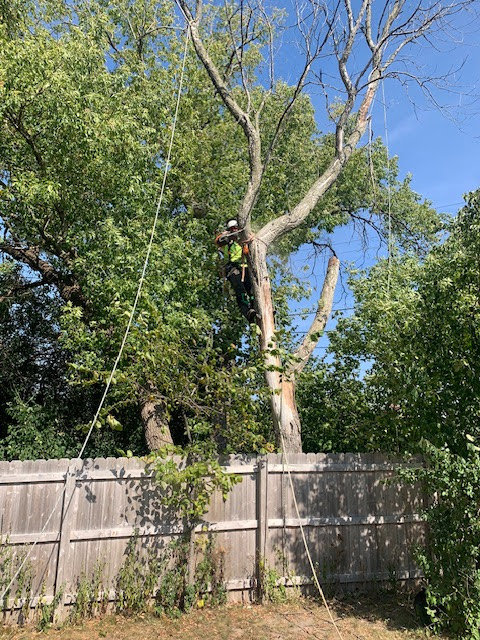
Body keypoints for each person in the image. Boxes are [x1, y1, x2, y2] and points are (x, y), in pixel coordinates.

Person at [215, 219, 256, 322]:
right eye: (232, 229)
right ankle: (247, 312)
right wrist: (228, 235)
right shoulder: (227, 241)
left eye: (235, 228)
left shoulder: (244, 239)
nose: (234, 230)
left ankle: (254, 308)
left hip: (246, 267)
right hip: (233, 268)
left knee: (252, 290)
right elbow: (217, 241)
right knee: (240, 291)